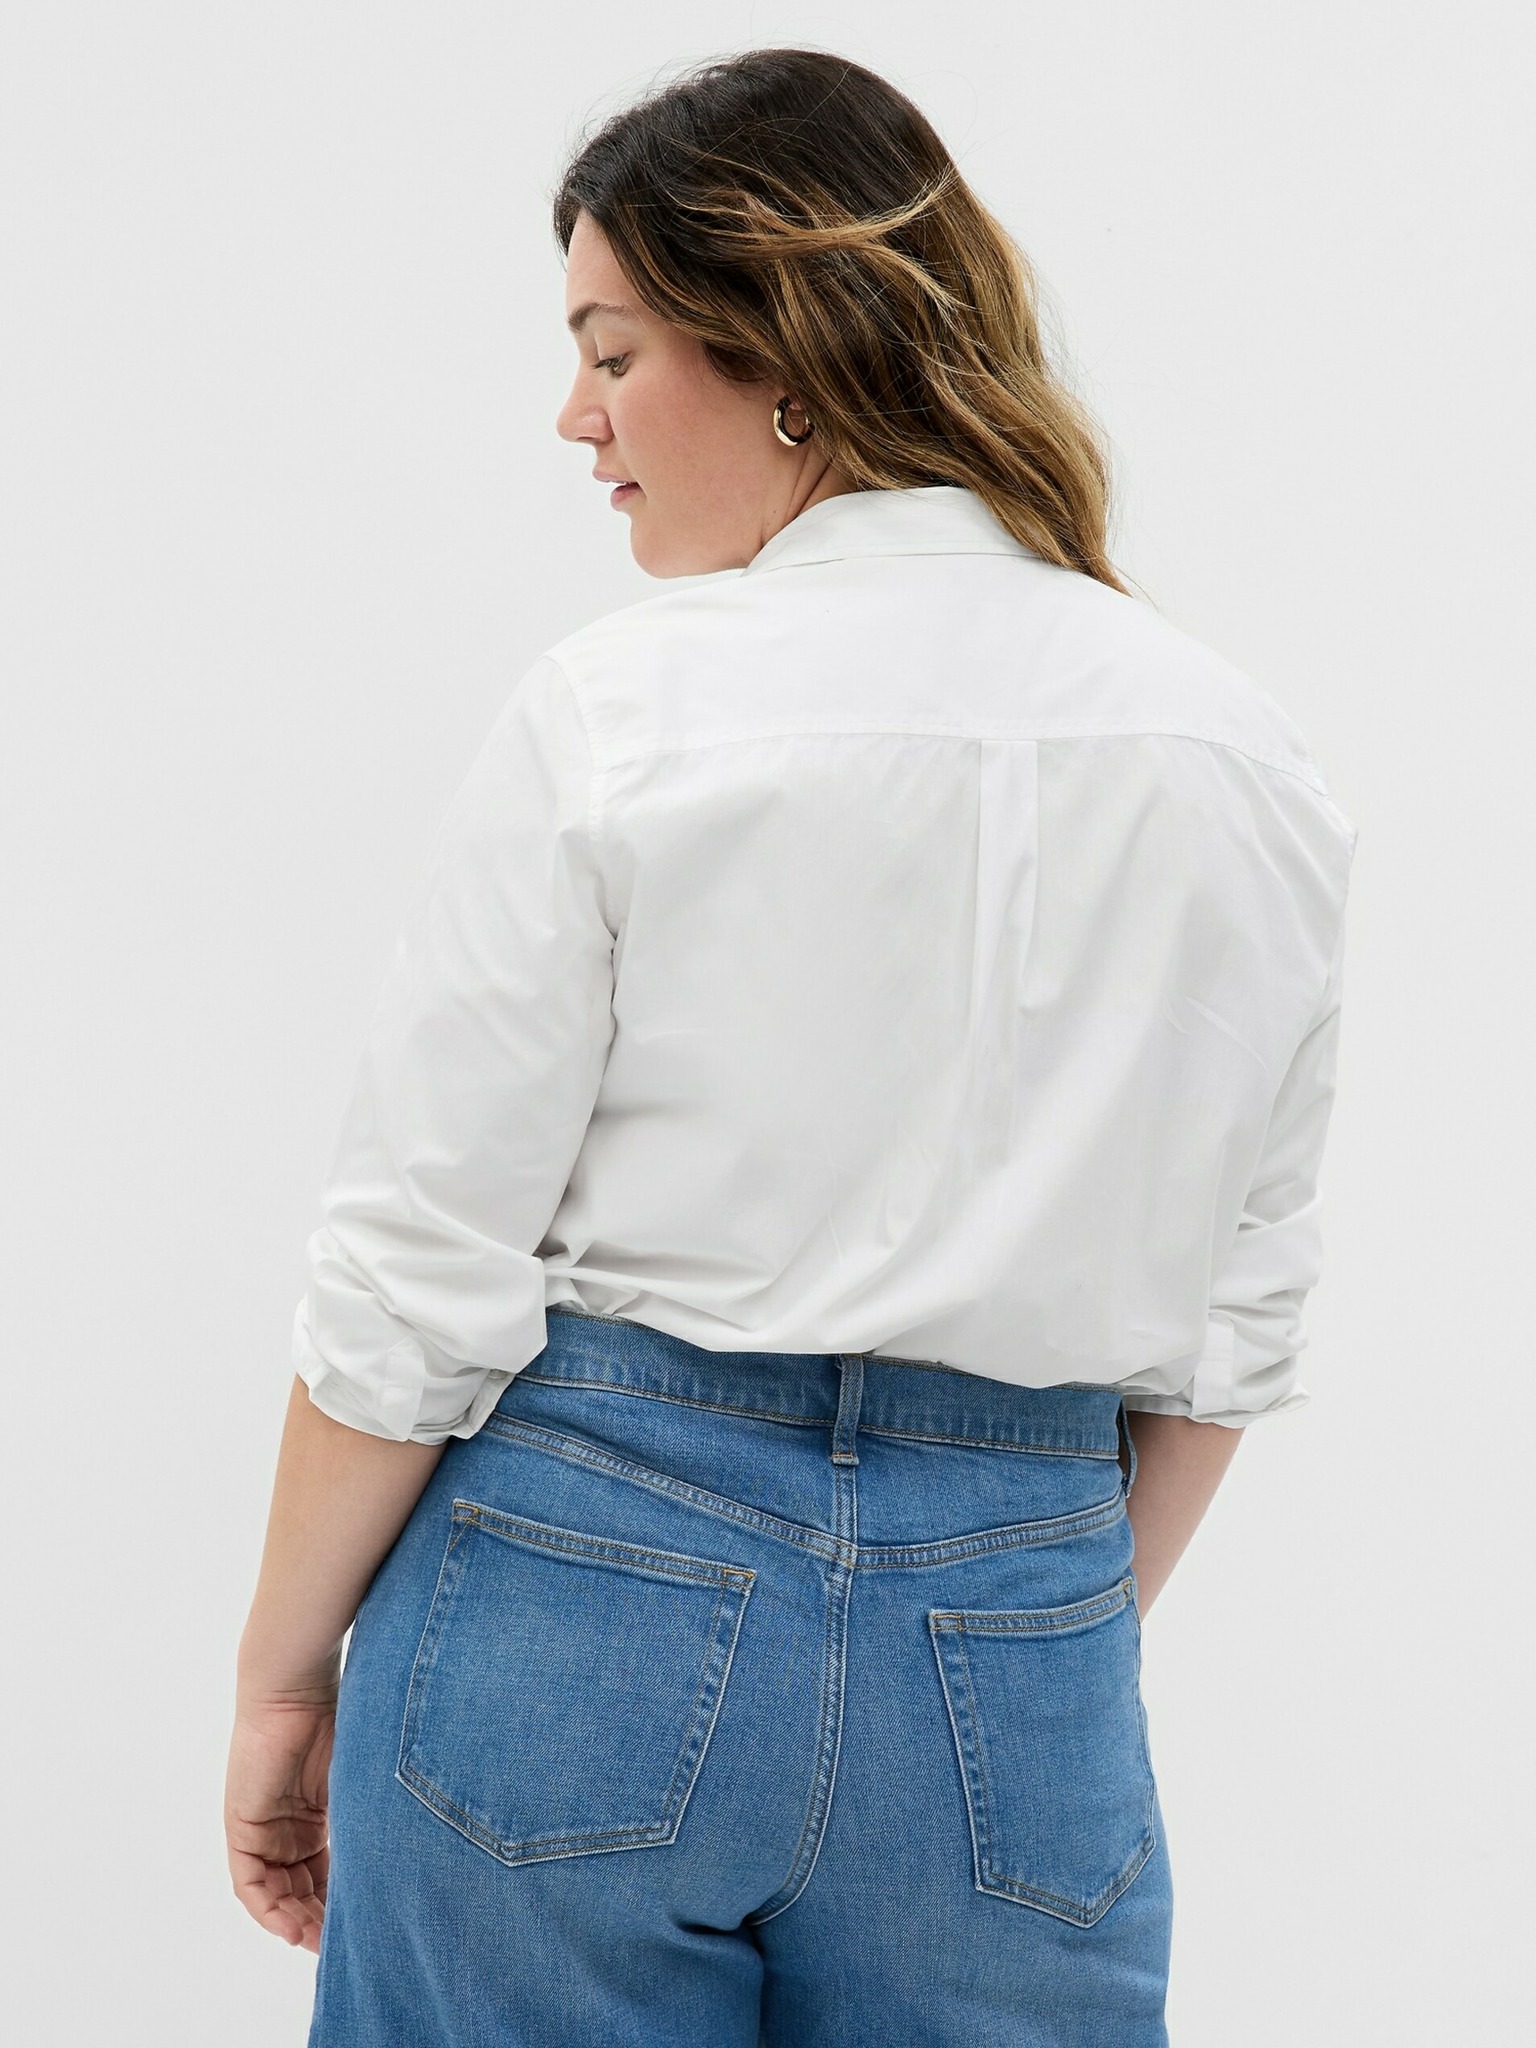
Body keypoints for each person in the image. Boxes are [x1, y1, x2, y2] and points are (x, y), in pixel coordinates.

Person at [225, 47, 1357, 2047]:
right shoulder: (1242, 757)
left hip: (575, 1588)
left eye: (614, 350)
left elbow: (415, 1266)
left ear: (786, 355)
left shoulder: (623, 710)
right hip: (1018, 1617)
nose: (576, 416)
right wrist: (1007, 1630)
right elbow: (1231, 1325)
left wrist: (281, 1676)